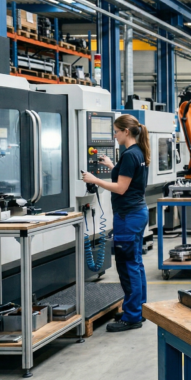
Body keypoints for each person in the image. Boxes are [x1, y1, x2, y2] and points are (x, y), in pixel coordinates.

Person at [82, 115, 150, 332]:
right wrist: (112, 166)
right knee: (136, 263)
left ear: (126, 132)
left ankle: (132, 317)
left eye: (116, 131)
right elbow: (127, 179)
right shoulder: (137, 152)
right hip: (136, 213)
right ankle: (138, 309)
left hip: (128, 217)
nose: (114, 135)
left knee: (128, 267)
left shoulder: (130, 155)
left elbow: (121, 188)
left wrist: (95, 180)